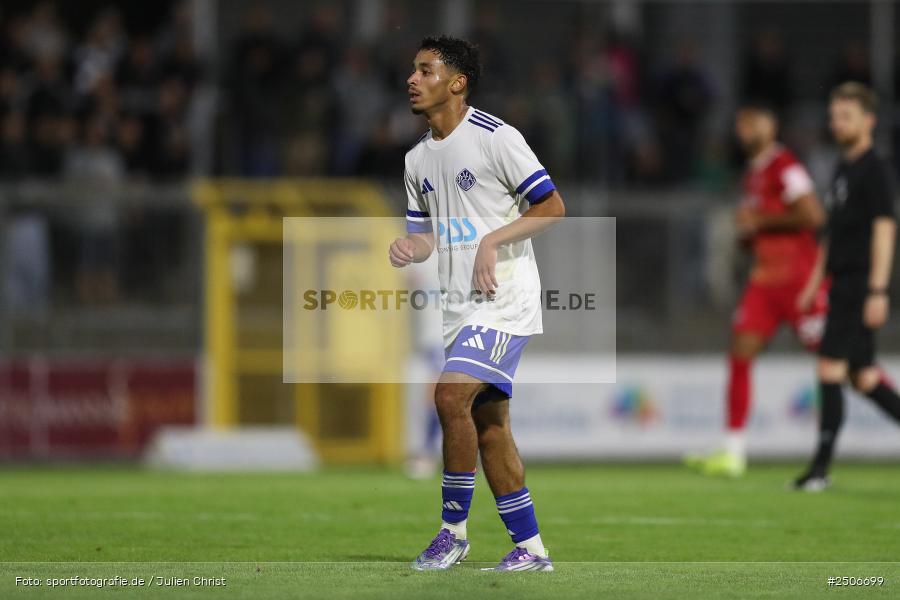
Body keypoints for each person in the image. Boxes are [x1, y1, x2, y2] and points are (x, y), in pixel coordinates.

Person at [390, 35, 565, 572]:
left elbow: (552, 206)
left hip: (504, 297)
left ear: (457, 82)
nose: (413, 80)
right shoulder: (416, 159)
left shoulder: (496, 137)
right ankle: (530, 549)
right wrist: (409, 246)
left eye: (426, 70)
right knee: (489, 428)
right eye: (414, 71)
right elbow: (427, 236)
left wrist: (492, 241)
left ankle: (452, 533)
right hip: (458, 307)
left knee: (448, 398)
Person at [686, 101, 827, 477]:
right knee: (740, 354)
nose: (743, 130)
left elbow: (813, 215)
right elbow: (762, 226)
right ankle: (733, 452)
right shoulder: (752, 174)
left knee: (843, 361)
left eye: (751, 122)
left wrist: (759, 221)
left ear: (771, 125)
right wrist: (748, 234)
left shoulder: (786, 166)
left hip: (800, 281)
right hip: (764, 282)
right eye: (740, 124)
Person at [794, 82, 900, 491]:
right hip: (841, 282)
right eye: (834, 116)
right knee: (864, 378)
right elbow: (832, 236)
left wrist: (878, 290)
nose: (837, 124)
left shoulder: (876, 169)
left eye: (846, 117)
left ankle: (819, 471)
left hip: (860, 284)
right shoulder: (843, 168)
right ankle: (819, 469)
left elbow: (885, 231)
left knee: (829, 368)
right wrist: (814, 281)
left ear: (868, 121)